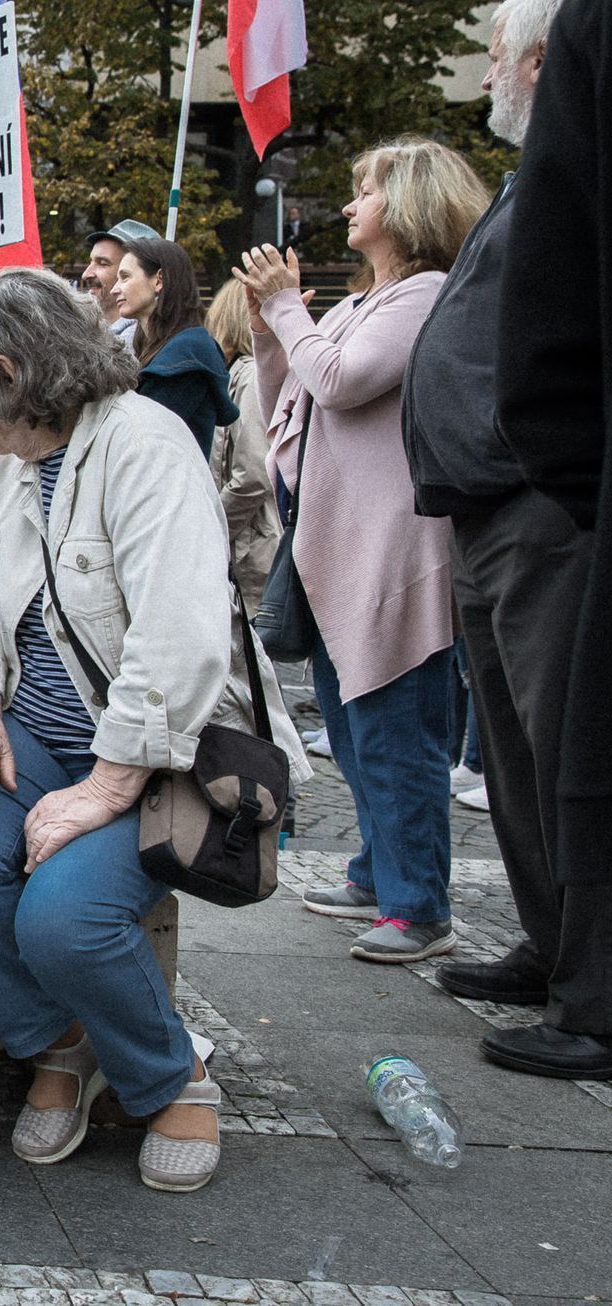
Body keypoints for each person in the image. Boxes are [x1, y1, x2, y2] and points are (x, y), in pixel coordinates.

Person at [0, 270, 309, 1194]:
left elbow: (180, 642)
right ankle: (63, 1043)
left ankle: (170, 1078)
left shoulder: (145, 446)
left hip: (162, 751)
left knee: (66, 918)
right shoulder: (9, 465)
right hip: (37, 733)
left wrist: (105, 788)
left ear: (8, 372)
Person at [234, 137, 489, 963]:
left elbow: (342, 384)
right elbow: (287, 412)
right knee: (352, 730)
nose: (349, 206)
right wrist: (272, 335)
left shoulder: (426, 295)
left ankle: (420, 906)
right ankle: (378, 874)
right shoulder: (350, 305)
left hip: (392, 553)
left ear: (411, 205)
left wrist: (284, 313)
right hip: (332, 549)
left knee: (397, 732)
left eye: (366, 191)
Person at [490, 0, 612, 1078]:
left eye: (494, 55)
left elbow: (541, 326)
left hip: (544, 509)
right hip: (517, 504)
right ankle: (556, 950)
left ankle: (594, 989)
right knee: (521, 755)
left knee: (566, 750)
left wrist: (561, 472)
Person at [113, 238, 238, 457]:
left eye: (125, 277)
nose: (115, 289)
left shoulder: (186, 355)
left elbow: (142, 440)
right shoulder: (161, 349)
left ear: (158, 280)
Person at [201, 282, 282, 611]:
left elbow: (253, 473)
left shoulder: (247, 378)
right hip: (247, 547)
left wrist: (210, 528)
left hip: (251, 551)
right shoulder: (238, 374)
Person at [80, 219, 158, 345]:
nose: (86, 274)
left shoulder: (139, 344)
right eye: (90, 262)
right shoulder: (82, 332)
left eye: (103, 263)